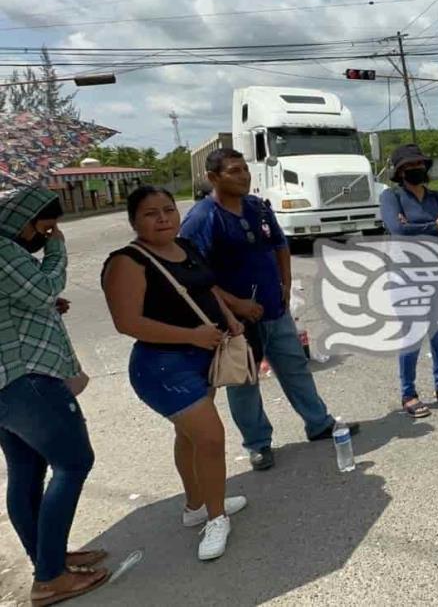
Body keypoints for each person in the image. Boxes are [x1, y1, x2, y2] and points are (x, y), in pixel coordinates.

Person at [180, 149, 357, 472]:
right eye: (234, 171)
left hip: (274, 309)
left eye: (245, 169)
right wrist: (236, 305)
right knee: (244, 383)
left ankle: (318, 423)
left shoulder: (258, 209)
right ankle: (258, 444)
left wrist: (285, 284)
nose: (244, 176)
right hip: (235, 320)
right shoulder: (203, 218)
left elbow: (280, 246)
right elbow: (193, 275)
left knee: (295, 368)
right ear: (213, 178)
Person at [102, 187, 247, 561]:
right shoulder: (127, 261)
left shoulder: (185, 246)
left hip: (204, 357)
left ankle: (197, 504)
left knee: (190, 436)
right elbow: (127, 322)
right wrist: (192, 335)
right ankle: (215, 519)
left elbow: (205, 288)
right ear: (134, 221)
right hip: (162, 365)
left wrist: (229, 318)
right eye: (151, 213)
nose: (163, 218)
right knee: (211, 439)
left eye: (168, 209)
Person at [0, 188, 108, 604]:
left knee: (26, 471)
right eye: (44, 228)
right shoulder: (4, 251)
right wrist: (58, 251)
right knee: (74, 461)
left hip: (9, 382)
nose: (49, 235)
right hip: (27, 378)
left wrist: (43, 304)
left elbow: (24, 301)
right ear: (21, 220)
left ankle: (48, 558)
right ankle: (49, 577)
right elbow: (44, 287)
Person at [378, 144, 438, 419]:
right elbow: (398, 229)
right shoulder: (391, 197)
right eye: (408, 166)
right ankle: (409, 393)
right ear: (399, 172)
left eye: (419, 165)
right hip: (407, 277)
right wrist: (433, 227)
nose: (415, 169)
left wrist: (419, 228)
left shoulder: (436, 197)